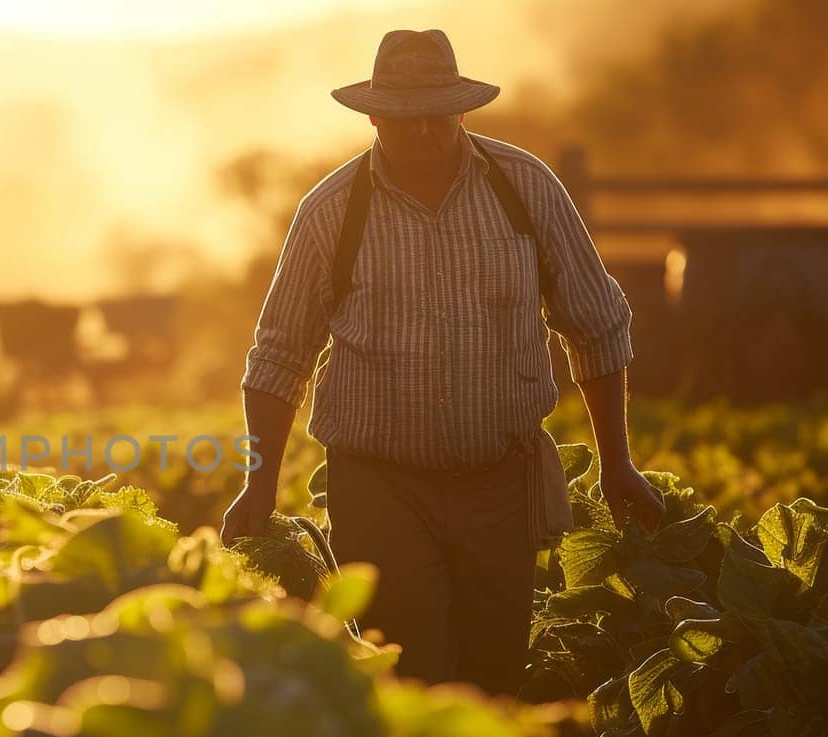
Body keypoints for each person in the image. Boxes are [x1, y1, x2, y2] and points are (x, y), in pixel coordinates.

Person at [220, 29, 665, 696]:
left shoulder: (526, 190)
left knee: (494, 678)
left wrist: (618, 463)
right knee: (415, 672)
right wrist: (257, 485)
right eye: (406, 120)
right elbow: (279, 356)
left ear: (464, 111)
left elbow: (596, 325)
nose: (425, 134)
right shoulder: (331, 214)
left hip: (499, 485)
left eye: (438, 116)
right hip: (381, 487)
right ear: (375, 117)